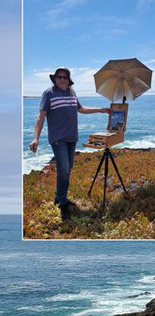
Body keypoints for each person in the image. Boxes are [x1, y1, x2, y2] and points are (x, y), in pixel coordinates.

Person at [29, 67, 109, 220]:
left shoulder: (72, 92)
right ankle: (63, 204)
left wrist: (100, 110)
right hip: (58, 138)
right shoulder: (49, 94)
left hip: (72, 138)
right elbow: (41, 117)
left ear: (68, 79)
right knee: (64, 169)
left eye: (65, 77)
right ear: (55, 79)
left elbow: (81, 109)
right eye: (59, 77)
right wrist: (35, 138)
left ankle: (59, 197)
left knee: (67, 169)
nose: (62, 79)